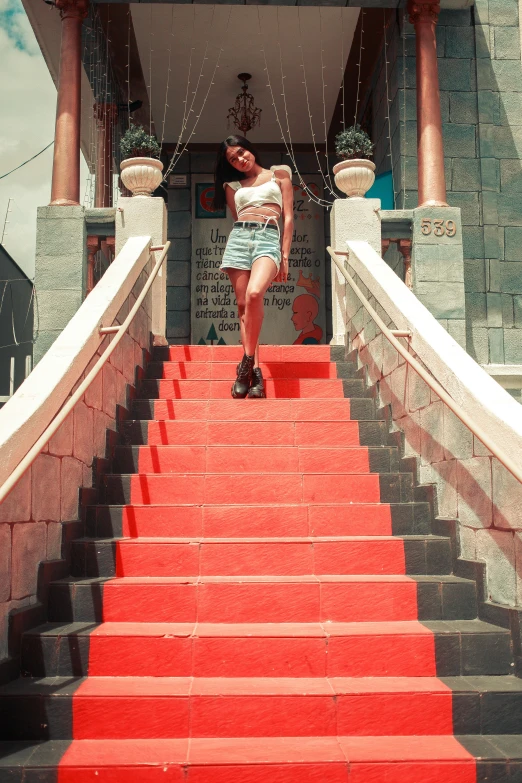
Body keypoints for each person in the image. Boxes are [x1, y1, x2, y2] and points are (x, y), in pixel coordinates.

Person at [213, 135, 293, 398]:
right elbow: (238, 218)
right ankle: (255, 371)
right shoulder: (232, 186)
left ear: (250, 148)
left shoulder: (279, 174)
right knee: (243, 306)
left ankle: (244, 363)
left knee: (255, 294)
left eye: (241, 152)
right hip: (239, 239)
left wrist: (285, 255)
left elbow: (289, 218)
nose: (240, 160)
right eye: (233, 159)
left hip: (268, 237)